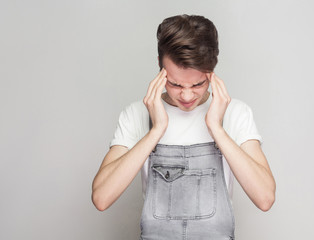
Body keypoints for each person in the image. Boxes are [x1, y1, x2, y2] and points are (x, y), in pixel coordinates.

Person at [92, 14, 276, 239]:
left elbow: (265, 198)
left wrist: (216, 128)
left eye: (198, 84)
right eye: (175, 84)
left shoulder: (235, 113)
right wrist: (156, 130)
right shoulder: (137, 114)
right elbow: (101, 198)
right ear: (160, 68)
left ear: (212, 71)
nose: (187, 95)